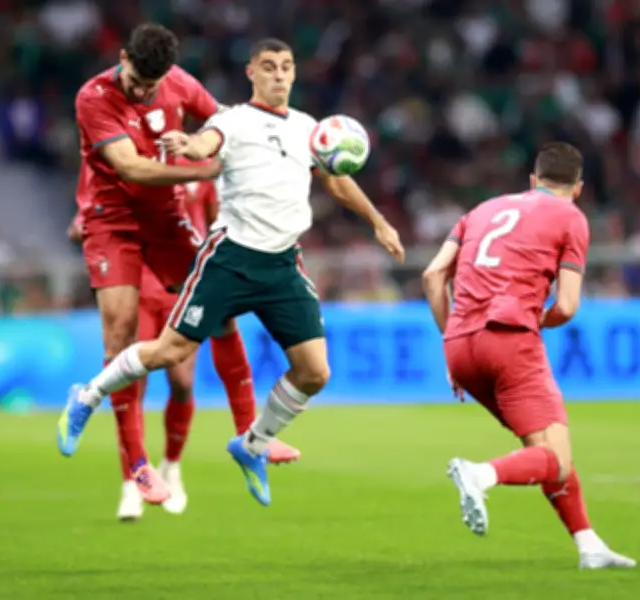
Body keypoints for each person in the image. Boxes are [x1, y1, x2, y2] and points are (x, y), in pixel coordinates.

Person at [57, 38, 405, 507]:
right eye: (269, 67)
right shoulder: (233, 118)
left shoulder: (309, 129)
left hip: (282, 263)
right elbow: (206, 141)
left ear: (296, 73)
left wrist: (378, 222)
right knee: (166, 351)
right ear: (251, 73)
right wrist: (190, 147)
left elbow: (336, 180)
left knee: (315, 372)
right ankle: (89, 398)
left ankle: (251, 443)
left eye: (286, 67)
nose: (279, 75)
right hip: (229, 258)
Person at [57, 23, 273, 508]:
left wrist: (228, 144)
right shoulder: (93, 96)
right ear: (122, 57)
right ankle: (137, 466)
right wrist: (205, 167)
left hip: (167, 218)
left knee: (221, 312)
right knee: (121, 333)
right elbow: (132, 167)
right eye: (135, 81)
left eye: (150, 87)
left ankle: (249, 440)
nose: (140, 92)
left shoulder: (178, 82)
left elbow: (224, 124)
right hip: (111, 221)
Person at [421, 142, 636, 570]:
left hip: (460, 345)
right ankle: (478, 474)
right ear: (578, 188)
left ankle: (589, 545)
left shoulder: (480, 210)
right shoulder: (571, 217)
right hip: (509, 338)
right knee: (555, 459)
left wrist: (454, 341)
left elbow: (432, 276)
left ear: (533, 181)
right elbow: (568, 305)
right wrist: (532, 320)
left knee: (543, 450)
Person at [70, 166, 302, 520]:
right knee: (132, 383)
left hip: (184, 284)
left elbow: (215, 226)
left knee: (182, 383)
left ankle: (172, 467)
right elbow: (92, 218)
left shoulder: (202, 174)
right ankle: (131, 483)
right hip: (141, 286)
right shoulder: (131, 167)